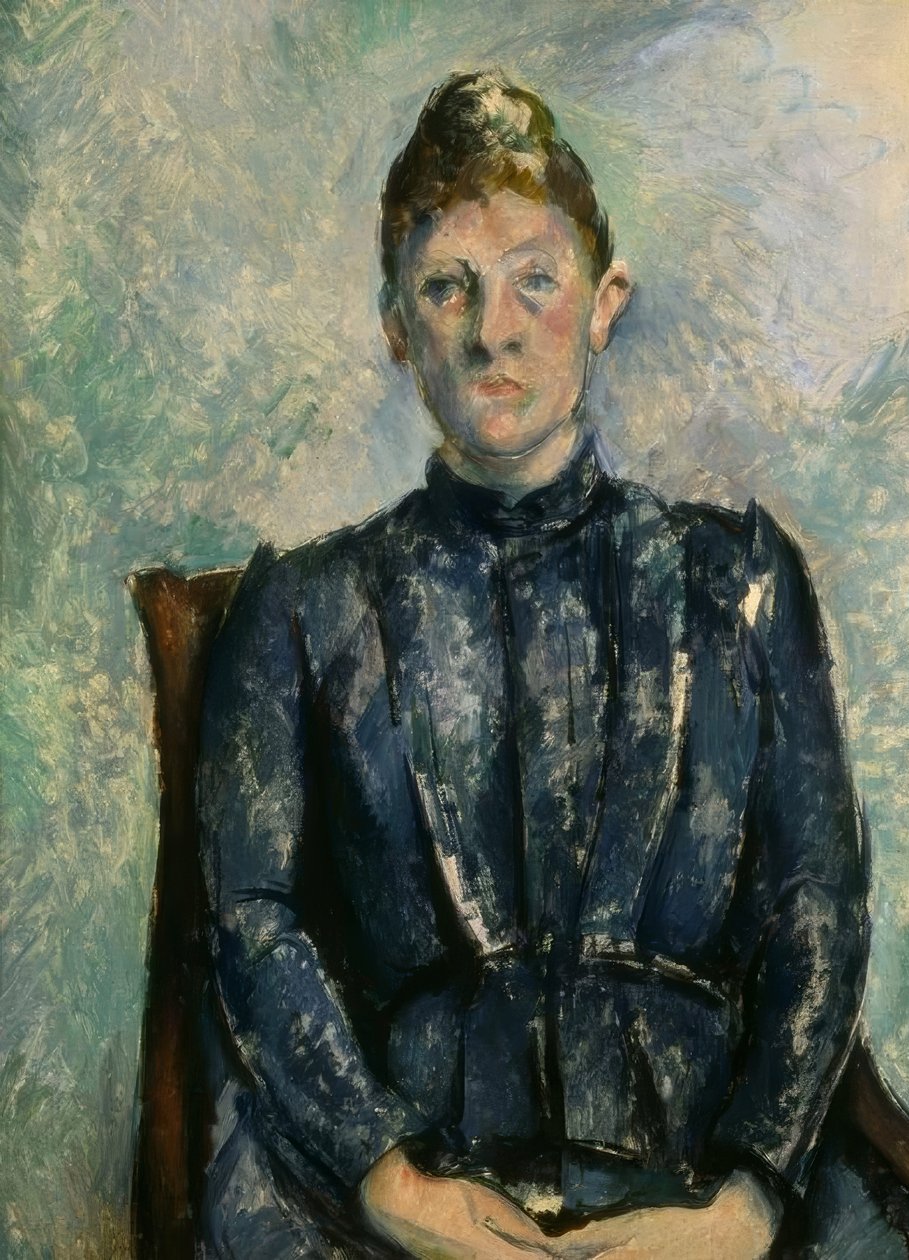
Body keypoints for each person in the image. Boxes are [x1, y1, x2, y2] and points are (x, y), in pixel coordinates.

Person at [196, 69, 869, 1258]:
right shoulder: (303, 610)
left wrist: (747, 1199)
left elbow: (818, 903)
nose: (491, 330)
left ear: (604, 303)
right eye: (446, 286)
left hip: (695, 1193)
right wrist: (388, 1179)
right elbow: (254, 924)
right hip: (399, 1199)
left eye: (533, 282)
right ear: (397, 328)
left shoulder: (741, 586)